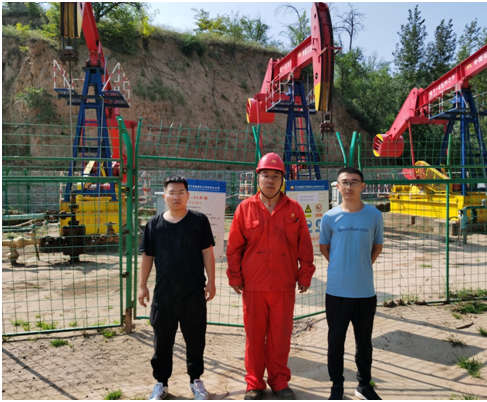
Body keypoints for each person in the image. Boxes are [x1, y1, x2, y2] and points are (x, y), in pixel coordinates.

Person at [226, 153, 315, 400]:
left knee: (280, 336)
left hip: (283, 284)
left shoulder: (294, 209)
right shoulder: (245, 208)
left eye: (276, 176)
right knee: (254, 337)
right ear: (258, 178)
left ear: (283, 179)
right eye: (266, 175)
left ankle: (279, 381)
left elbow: (305, 246)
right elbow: (233, 247)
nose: (270, 180)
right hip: (253, 285)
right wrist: (234, 276)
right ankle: (254, 383)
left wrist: (305, 274)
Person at [138, 174, 216, 401]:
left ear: (188, 195)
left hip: (193, 293)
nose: (176, 197)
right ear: (164, 196)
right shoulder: (154, 224)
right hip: (164, 295)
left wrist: (211, 281)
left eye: (181, 192)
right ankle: (161, 383)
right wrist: (142, 286)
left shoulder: (199, 221)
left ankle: (196, 381)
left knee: (196, 340)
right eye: (171, 192)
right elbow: (147, 257)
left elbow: (207, 252)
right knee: (162, 343)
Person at [319, 167, 384, 400]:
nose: (349, 187)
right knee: (335, 341)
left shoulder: (374, 215)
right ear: (337, 186)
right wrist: (341, 266)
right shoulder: (329, 217)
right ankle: (336, 386)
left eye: (354, 182)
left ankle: (364, 385)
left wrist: (361, 266)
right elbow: (325, 248)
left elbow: (377, 246)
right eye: (344, 182)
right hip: (337, 291)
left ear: (362, 186)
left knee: (364, 342)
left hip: (365, 291)